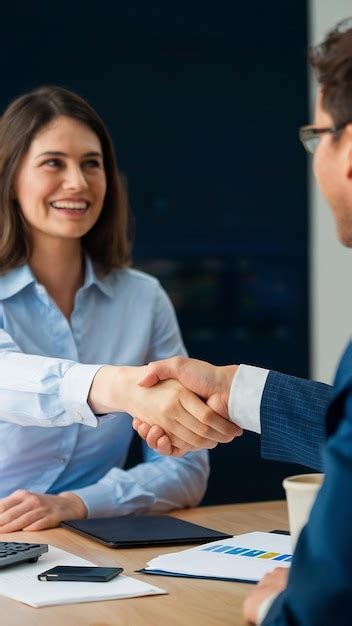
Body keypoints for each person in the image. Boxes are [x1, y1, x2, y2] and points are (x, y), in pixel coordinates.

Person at [132, 19, 352, 626]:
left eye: (318, 138)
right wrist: (232, 390)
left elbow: (321, 610)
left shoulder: (141, 294)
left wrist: (280, 605)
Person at [0, 85, 242, 533]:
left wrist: (74, 503)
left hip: (83, 544)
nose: (77, 182)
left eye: (91, 164)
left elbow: (185, 470)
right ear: (11, 178)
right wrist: (119, 387)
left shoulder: (143, 298)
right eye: (54, 162)